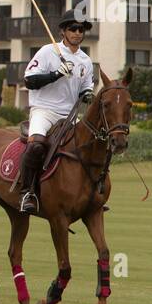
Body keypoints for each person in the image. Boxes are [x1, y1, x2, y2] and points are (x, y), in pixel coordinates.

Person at [19, 12, 95, 212]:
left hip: (69, 115)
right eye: (73, 29)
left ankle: (90, 193)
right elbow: (29, 81)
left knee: (91, 146)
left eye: (81, 29)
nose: (78, 33)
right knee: (35, 146)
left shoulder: (85, 61)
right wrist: (56, 74)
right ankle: (27, 192)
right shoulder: (47, 52)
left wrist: (87, 94)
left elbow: (86, 87)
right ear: (63, 31)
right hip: (44, 110)